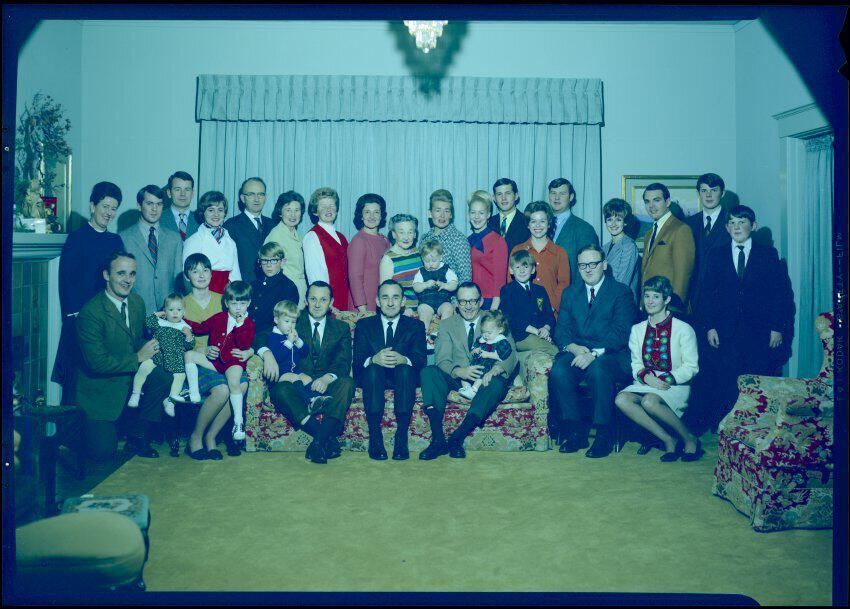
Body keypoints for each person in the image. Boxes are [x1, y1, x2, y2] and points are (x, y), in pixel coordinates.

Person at [697, 205, 790, 430]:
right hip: (725, 331)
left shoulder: (767, 254)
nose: (737, 227)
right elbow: (706, 294)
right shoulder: (717, 255)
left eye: (742, 222)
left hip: (758, 331)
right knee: (727, 378)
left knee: (757, 377)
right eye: (732, 223)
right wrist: (710, 327)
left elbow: (780, 295)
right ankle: (729, 427)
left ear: (753, 226)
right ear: (727, 228)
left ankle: (756, 426)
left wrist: (777, 328)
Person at [75, 252, 171, 461]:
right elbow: (97, 363)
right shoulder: (91, 313)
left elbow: (135, 341)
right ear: (106, 275)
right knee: (102, 452)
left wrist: (157, 345)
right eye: (121, 273)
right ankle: (82, 430)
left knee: (162, 376)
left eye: (132, 274)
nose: (128, 280)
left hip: (128, 378)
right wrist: (138, 357)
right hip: (102, 391)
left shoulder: (136, 302)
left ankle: (138, 434)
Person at [549, 244, 637, 459]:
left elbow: (621, 332)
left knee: (599, 370)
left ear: (604, 265)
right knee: (559, 370)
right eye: (583, 265)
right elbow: (561, 330)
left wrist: (594, 354)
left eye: (593, 264)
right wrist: (574, 348)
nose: (588, 269)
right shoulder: (571, 293)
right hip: (579, 350)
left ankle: (603, 435)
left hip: (611, 354)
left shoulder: (621, 291)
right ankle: (575, 431)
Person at [259, 281, 356, 464]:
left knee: (347, 383)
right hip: (298, 382)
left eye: (323, 300)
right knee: (280, 389)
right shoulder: (294, 319)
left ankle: (318, 442)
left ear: (331, 302)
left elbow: (343, 361)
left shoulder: (341, 327)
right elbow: (262, 334)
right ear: (305, 301)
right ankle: (326, 439)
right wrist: (266, 353)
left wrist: (326, 379)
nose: (317, 304)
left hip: (326, 382)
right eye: (313, 299)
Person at [419, 282, 518, 460]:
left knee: (497, 383)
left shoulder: (494, 319)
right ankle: (438, 440)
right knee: (429, 372)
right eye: (463, 301)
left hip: (486, 377)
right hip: (458, 378)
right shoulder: (447, 324)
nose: (468, 306)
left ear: (481, 301)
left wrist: (496, 370)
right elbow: (442, 358)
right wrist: (459, 371)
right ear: (456, 303)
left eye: (473, 301)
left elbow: (511, 355)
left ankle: (457, 438)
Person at [615, 276, 702, 461]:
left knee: (649, 401)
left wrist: (663, 379)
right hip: (646, 383)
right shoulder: (637, 329)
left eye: (656, 296)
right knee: (621, 399)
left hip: (674, 385)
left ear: (667, 299)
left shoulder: (683, 329)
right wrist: (647, 378)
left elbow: (691, 367)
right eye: (647, 296)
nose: (650, 301)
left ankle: (689, 438)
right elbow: (636, 364)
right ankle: (668, 439)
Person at [54, 181, 126, 403]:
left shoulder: (115, 241)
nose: (109, 213)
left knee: (103, 379)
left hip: (108, 318)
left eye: (114, 208)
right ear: (92, 206)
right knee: (77, 381)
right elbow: (67, 281)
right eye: (105, 206)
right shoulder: (77, 238)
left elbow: (121, 279)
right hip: (82, 319)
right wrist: (76, 317)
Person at [181, 254, 249, 460]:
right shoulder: (181, 303)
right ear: (187, 276)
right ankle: (196, 437)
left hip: (222, 360)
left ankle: (212, 437)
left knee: (241, 385)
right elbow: (174, 339)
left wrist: (250, 351)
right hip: (195, 362)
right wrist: (202, 351)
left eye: (205, 270)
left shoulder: (224, 300)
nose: (201, 275)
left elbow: (243, 330)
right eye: (195, 271)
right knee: (222, 390)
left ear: (212, 274)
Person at [353, 280, 427, 461]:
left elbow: (421, 359)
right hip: (373, 378)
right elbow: (357, 361)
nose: (391, 303)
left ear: (403, 301)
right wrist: (373, 359)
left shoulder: (416, 326)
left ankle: (401, 436)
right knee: (373, 369)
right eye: (385, 298)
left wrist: (404, 359)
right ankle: (375, 437)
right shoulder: (364, 325)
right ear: (378, 301)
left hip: (403, 378)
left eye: (395, 297)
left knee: (405, 370)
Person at [118, 185, 184, 314]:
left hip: (168, 313)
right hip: (137, 311)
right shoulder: (124, 238)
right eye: (149, 204)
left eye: (159, 204)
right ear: (139, 206)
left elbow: (178, 280)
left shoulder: (174, 239)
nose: (154, 209)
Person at [130, 293, 195, 421]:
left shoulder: (185, 327)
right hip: (157, 355)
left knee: (180, 376)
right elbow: (147, 323)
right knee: (144, 367)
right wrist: (157, 314)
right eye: (171, 310)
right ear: (165, 311)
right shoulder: (160, 323)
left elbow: (189, 346)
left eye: (179, 310)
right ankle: (136, 393)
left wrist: (188, 336)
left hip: (175, 360)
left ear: (184, 312)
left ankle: (171, 401)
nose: (175, 313)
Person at [640, 183, 696, 313]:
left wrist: (675, 308)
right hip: (650, 307)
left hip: (669, 309)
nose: (651, 206)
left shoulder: (681, 229)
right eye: (647, 201)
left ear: (668, 202)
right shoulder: (649, 233)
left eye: (656, 200)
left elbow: (683, 275)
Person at [510, 201, 571, 316]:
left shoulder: (560, 253)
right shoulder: (517, 250)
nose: (538, 225)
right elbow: (511, 283)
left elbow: (564, 284)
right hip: (522, 313)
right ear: (528, 225)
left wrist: (551, 306)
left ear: (549, 224)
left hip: (551, 314)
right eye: (533, 221)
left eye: (542, 221)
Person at [266, 299, 327, 411]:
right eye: (287, 321)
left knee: (306, 378)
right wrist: (289, 342)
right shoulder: (273, 337)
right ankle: (307, 402)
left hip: (294, 371)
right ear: (276, 320)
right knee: (294, 377)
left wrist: (298, 341)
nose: (290, 325)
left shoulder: (291, 336)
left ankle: (316, 399)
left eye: (293, 322)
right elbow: (278, 357)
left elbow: (304, 353)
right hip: (280, 374)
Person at [498, 250, 557, 356]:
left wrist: (546, 328)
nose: (522, 271)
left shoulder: (540, 290)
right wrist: (537, 332)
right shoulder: (507, 290)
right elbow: (511, 318)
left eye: (526, 267)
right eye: (517, 267)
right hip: (521, 336)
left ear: (533, 269)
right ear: (511, 270)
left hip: (542, 333)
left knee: (550, 352)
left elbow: (549, 314)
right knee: (554, 351)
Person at [302, 187, 351, 312]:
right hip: (328, 304)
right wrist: (327, 304)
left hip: (344, 299)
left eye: (331, 205)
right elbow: (315, 276)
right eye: (323, 206)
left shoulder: (341, 237)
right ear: (315, 211)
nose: (328, 209)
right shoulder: (312, 236)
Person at [182, 191, 241, 294]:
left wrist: (237, 294)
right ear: (203, 212)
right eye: (211, 210)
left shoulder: (230, 241)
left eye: (220, 210)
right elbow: (186, 275)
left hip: (227, 294)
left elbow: (235, 275)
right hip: (203, 292)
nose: (216, 214)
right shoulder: (193, 240)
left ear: (224, 213)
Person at [223, 177, 275, 284]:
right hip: (244, 288)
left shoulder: (273, 225)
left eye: (260, 194)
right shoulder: (231, 226)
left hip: (271, 287)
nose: (256, 199)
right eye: (251, 194)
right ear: (243, 198)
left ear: (265, 197)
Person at [548, 177, 600, 278]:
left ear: (571, 197)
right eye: (553, 193)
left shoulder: (584, 229)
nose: (557, 198)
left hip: (571, 287)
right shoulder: (539, 226)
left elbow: (588, 270)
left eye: (562, 193)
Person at [265, 191, 308, 309]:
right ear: (280, 212)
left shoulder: (297, 234)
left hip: (300, 292)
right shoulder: (276, 235)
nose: (293, 215)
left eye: (297, 210)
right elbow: (269, 270)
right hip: (285, 294)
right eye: (288, 210)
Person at [348, 193, 390, 313]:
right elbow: (355, 278)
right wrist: (362, 308)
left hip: (382, 302)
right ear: (361, 216)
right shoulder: (359, 240)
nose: (372, 216)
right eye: (367, 212)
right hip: (363, 305)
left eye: (376, 212)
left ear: (381, 215)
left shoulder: (384, 240)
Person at [458, 310, 514, 400]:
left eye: (489, 333)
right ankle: (467, 388)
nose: (485, 335)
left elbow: (501, 356)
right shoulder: (481, 339)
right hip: (475, 365)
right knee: (464, 377)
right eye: (483, 332)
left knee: (481, 376)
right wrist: (475, 350)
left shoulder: (501, 341)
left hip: (487, 366)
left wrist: (488, 355)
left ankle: (474, 390)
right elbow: (472, 350)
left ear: (500, 330)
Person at [412, 239, 458, 346]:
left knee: (448, 308)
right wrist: (425, 284)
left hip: (443, 302)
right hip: (426, 302)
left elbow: (454, 284)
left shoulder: (446, 270)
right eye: (427, 261)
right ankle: (424, 335)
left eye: (433, 261)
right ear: (422, 259)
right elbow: (416, 287)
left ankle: (441, 332)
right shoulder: (421, 272)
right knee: (423, 311)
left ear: (441, 257)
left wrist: (445, 285)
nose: (430, 264)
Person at [420, 189, 472, 284]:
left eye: (446, 211)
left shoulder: (458, 239)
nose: (442, 215)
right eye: (438, 210)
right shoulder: (424, 239)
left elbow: (465, 278)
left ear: (451, 215)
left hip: (451, 293)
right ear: (430, 213)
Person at [467, 190, 508, 310]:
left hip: (489, 300)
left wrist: (494, 308)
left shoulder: (497, 240)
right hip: (470, 299)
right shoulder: (467, 240)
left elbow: (500, 278)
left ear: (488, 214)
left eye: (481, 213)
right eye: (473, 212)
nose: (476, 217)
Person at [250, 241, 299, 338]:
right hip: (249, 333)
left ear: (282, 262)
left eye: (273, 260)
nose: (268, 265)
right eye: (264, 260)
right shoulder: (253, 285)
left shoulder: (289, 287)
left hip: (271, 337)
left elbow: (287, 321)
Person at [379, 213, 422, 314]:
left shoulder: (418, 253)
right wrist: (403, 310)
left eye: (410, 232)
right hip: (402, 312)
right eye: (401, 232)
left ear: (415, 234)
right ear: (394, 234)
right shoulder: (388, 259)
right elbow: (384, 293)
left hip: (422, 311)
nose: (406, 237)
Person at [601, 198, 640, 302]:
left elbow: (623, 281)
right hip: (606, 299)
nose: (613, 224)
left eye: (618, 220)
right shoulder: (604, 248)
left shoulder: (629, 246)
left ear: (625, 222)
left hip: (622, 302)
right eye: (610, 219)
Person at [488, 178, 530, 258]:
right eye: (499, 194)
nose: (503, 198)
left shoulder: (527, 222)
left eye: (508, 193)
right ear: (494, 198)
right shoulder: (488, 223)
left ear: (516, 196)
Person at [160, 171, 199, 240]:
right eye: (177, 189)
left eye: (187, 189)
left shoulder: (200, 220)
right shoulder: (158, 219)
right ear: (169, 193)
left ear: (192, 193)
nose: (182, 194)